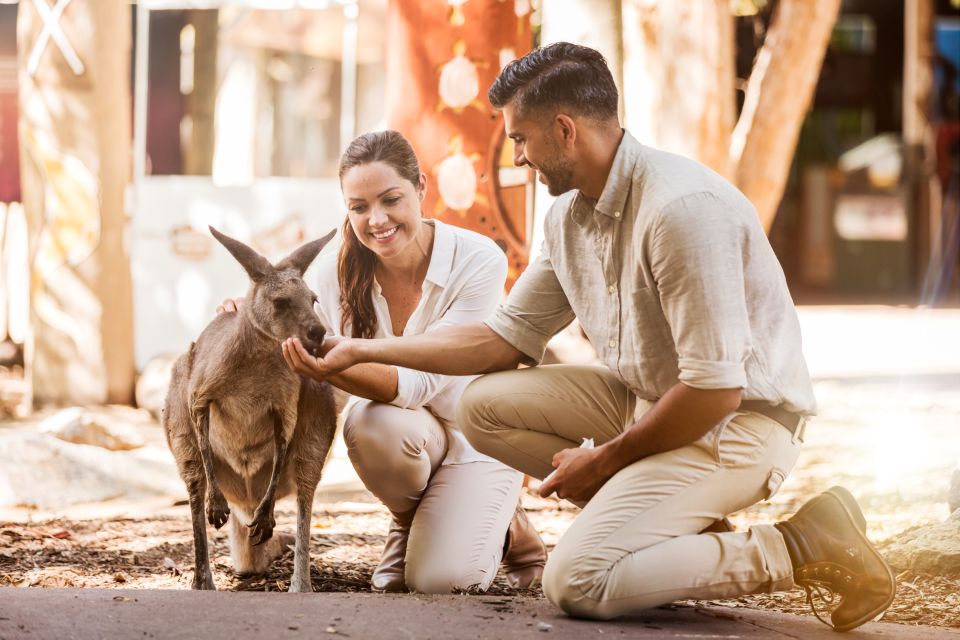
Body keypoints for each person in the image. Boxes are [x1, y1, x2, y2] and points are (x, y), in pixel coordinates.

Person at [283, 43, 895, 631]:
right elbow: (499, 340)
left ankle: (801, 545)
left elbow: (715, 394)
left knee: (577, 582)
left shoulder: (680, 211)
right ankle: (678, 529)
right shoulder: (569, 217)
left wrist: (605, 459)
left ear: (565, 130)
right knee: (483, 406)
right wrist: (363, 349)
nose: (517, 156)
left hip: (742, 427)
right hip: (651, 402)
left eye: (520, 138)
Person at [227, 129, 547, 594]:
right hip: (407, 436)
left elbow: (418, 384)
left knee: (441, 583)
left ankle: (506, 521)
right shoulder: (335, 273)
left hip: (477, 434)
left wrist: (342, 359)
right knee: (371, 425)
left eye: (390, 200)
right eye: (359, 207)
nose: (376, 220)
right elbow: (287, 314)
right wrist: (245, 317)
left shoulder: (477, 260)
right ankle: (410, 516)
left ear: (421, 189)